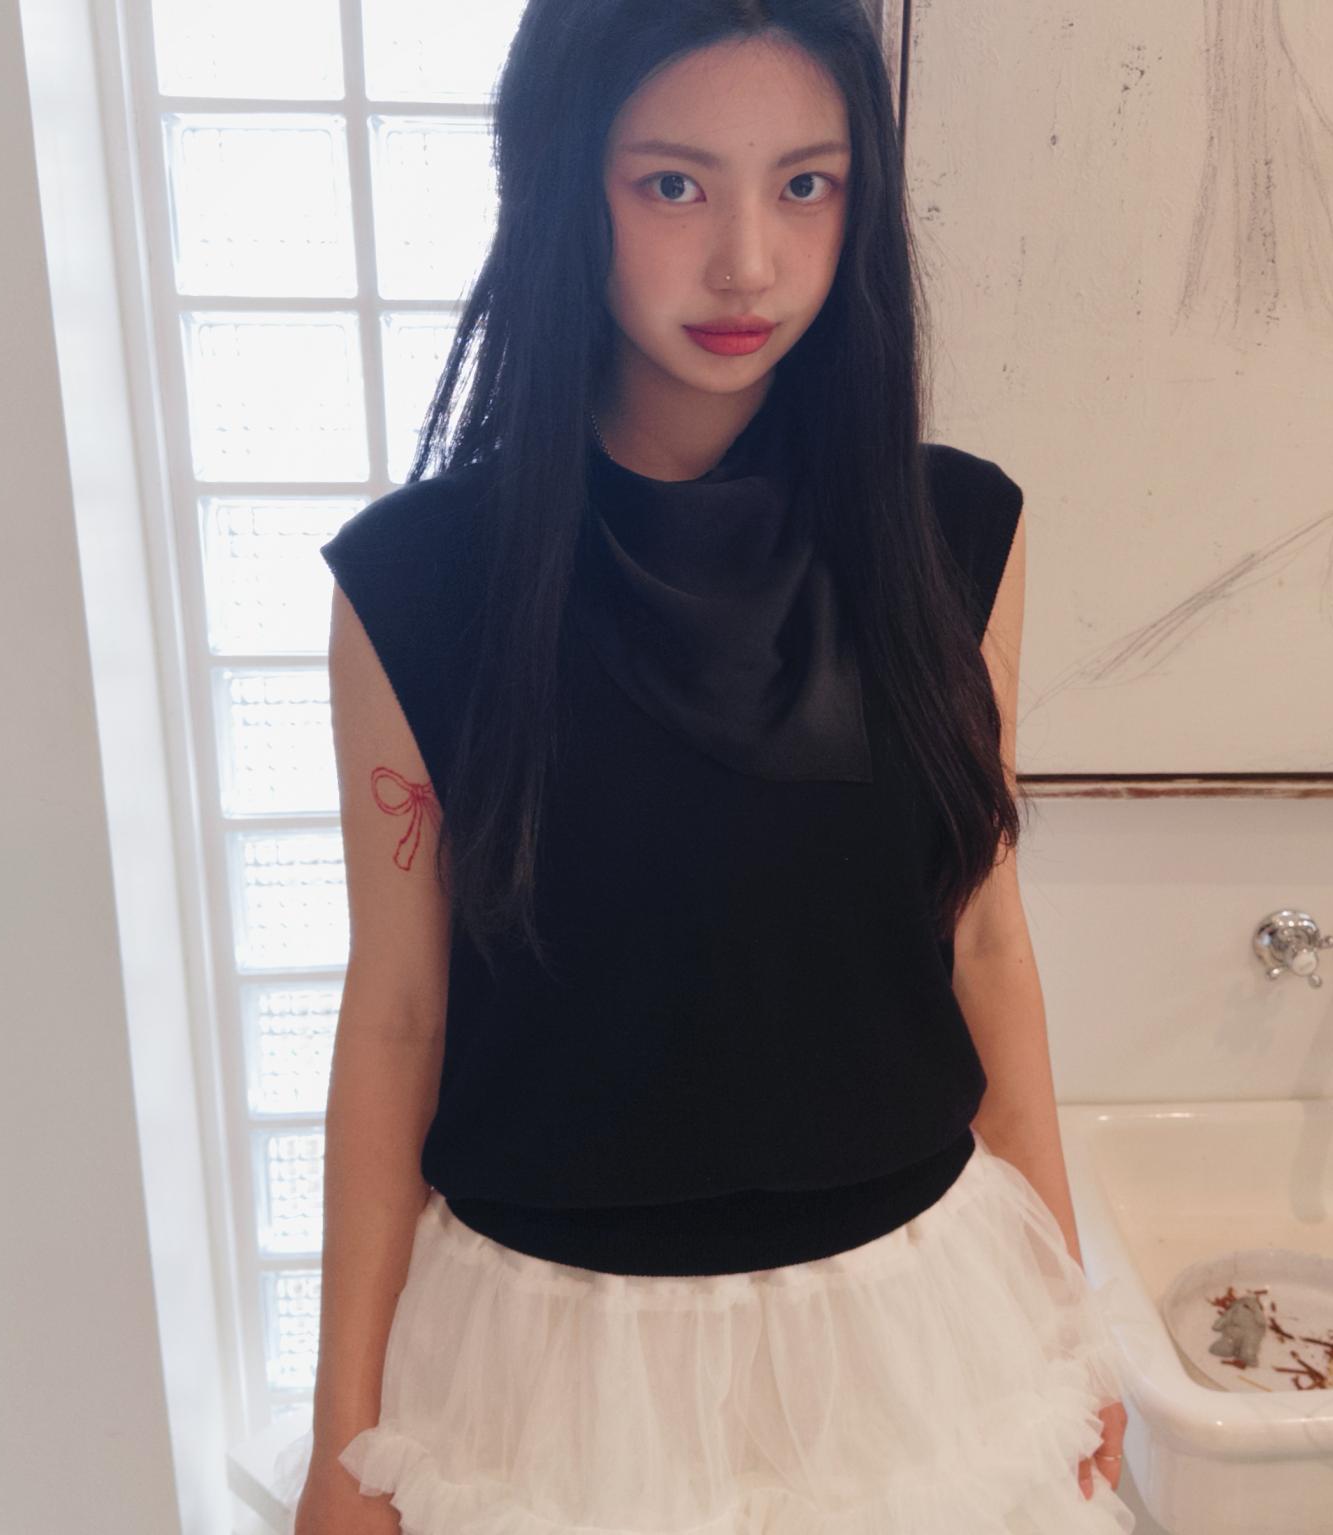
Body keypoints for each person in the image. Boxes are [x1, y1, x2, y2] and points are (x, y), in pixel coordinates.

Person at [277, 2, 1134, 1531]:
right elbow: (399, 1015)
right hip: (553, 1365)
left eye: (806, 184)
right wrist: (345, 1437)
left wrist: (1069, 1327)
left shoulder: (955, 538)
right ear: (564, 184)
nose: (748, 260)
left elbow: (988, 944)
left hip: (915, 1342)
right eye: (672, 183)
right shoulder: (418, 583)